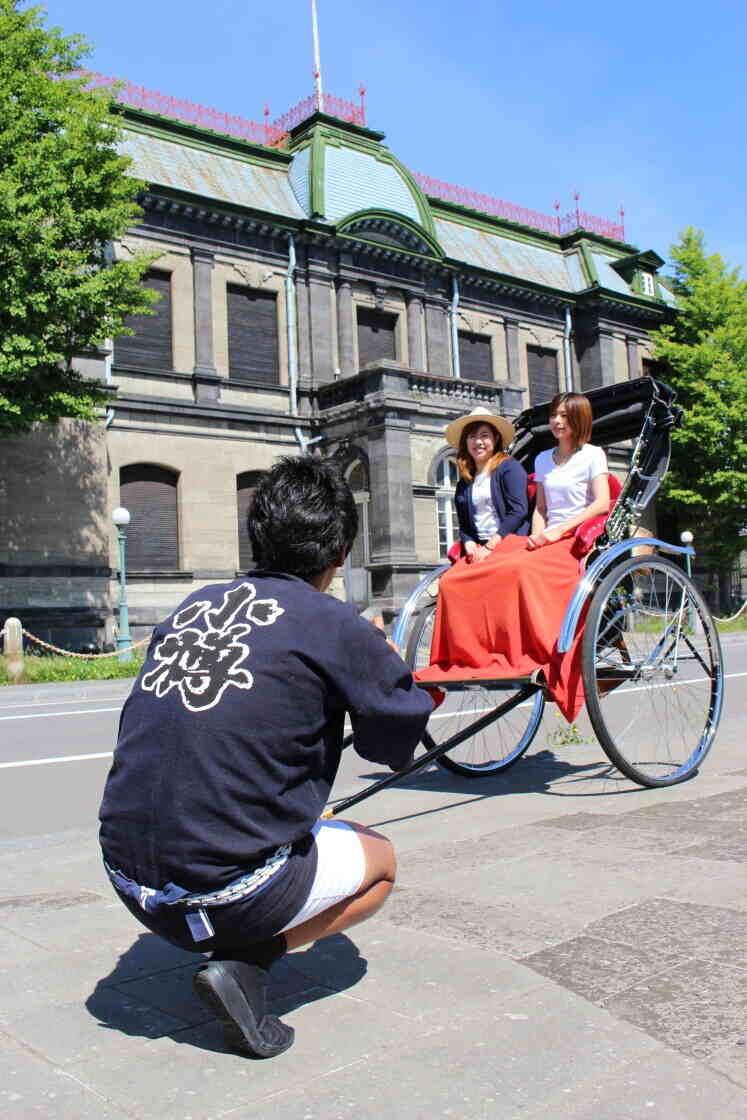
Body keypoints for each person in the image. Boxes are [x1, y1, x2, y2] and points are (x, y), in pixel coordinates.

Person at [99, 457, 433, 1060]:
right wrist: (383, 664)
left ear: (257, 534)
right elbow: (392, 744)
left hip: (126, 877)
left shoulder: (193, 606)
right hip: (220, 898)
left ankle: (241, 931)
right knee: (380, 861)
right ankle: (249, 964)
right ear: (341, 552)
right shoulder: (334, 621)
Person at [417, 392, 610, 722]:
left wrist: (555, 533)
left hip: (577, 535)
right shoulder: (543, 460)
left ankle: (541, 652)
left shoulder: (593, 455)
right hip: (544, 536)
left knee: (519, 569)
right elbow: (539, 509)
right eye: (554, 415)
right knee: (468, 576)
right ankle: (473, 656)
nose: (557, 421)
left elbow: (601, 503)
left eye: (564, 416)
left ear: (579, 419)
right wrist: (538, 534)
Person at [445, 406, 529, 562]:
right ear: (466, 441)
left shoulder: (509, 468)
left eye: (484, 436)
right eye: (472, 436)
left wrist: (490, 546)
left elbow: (518, 511)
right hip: (478, 548)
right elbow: (464, 525)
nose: (478, 442)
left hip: (508, 541)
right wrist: (469, 543)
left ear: (495, 438)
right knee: (449, 581)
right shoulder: (465, 482)